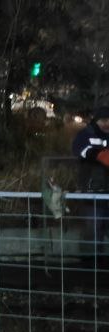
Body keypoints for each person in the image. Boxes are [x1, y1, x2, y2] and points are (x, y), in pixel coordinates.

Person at [73, 106, 109, 251]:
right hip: (92, 191)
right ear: (96, 120)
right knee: (93, 229)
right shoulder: (86, 134)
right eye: (104, 120)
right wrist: (98, 155)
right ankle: (90, 264)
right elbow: (78, 148)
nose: (107, 124)